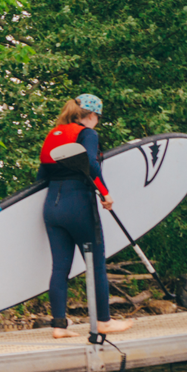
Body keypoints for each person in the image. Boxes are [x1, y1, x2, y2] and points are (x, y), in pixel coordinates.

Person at [37, 93, 132, 340]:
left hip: (51, 206)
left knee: (60, 267)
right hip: (78, 204)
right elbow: (90, 161)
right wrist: (105, 193)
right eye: (97, 117)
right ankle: (104, 321)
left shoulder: (54, 134)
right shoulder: (87, 133)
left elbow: (41, 175)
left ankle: (59, 326)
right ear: (92, 115)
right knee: (96, 264)